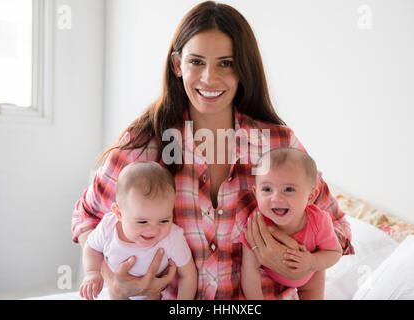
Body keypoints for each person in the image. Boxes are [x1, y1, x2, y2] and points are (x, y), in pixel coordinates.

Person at [71, 1, 354, 300]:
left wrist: (301, 263)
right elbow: (88, 216)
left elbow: (339, 229)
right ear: (178, 65)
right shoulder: (144, 143)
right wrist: (112, 279)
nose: (209, 78)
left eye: (226, 63)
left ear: (243, 69)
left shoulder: (278, 144)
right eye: (196, 62)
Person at [79, 161, 197, 300]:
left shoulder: (173, 237)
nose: (153, 230)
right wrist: (92, 272)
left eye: (164, 220)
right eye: (142, 222)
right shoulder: (108, 227)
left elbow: (188, 275)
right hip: (117, 295)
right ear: (119, 214)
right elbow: (92, 248)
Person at [240, 148, 342, 300]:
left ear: (310, 196)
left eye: (288, 189)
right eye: (267, 189)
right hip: (272, 280)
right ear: (256, 193)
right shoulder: (257, 223)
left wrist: (312, 262)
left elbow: (335, 253)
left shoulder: (319, 222)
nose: (276, 198)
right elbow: (249, 270)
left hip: (311, 278)